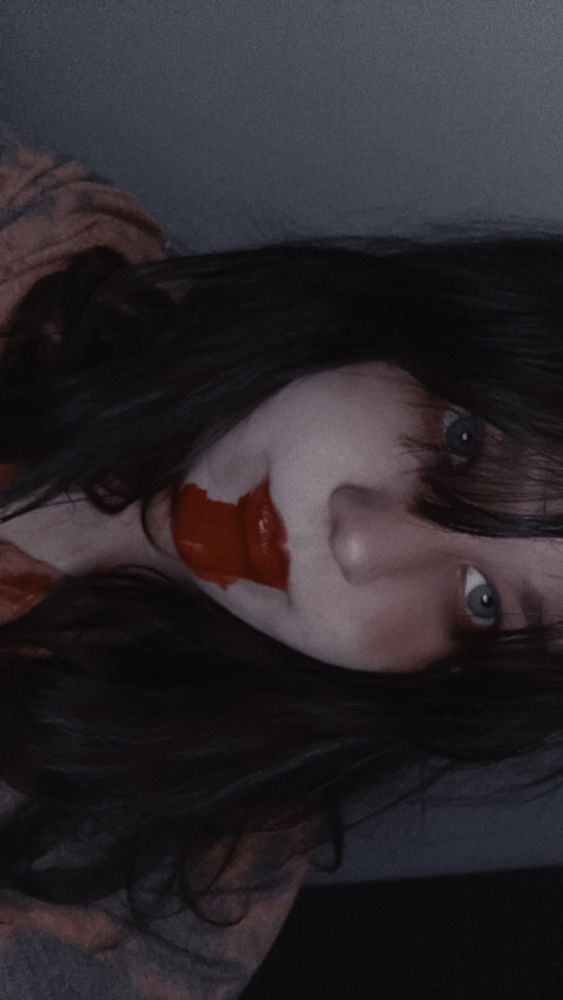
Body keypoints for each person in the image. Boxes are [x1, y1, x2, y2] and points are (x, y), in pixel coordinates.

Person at [1, 124, 563, 997]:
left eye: (482, 603)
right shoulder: (40, 229)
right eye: (460, 444)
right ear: (427, 328)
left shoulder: (165, 910)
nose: (360, 545)